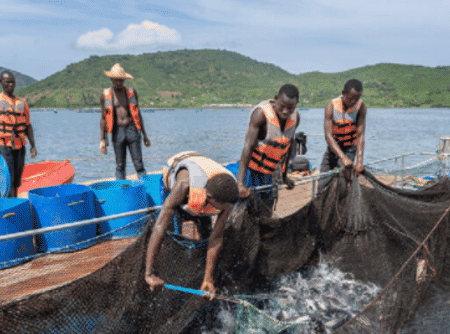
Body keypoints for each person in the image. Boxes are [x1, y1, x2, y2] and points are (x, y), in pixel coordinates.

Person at [145, 151, 240, 300]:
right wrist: (148, 273)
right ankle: (164, 271)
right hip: (178, 177)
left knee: (206, 232)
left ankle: (203, 276)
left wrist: (208, 277)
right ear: (208, 197)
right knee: (171, 237)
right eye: (218, 208)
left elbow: (216, 238)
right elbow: (159, 227)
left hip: (205, 186)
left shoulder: (229, 195)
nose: (221, 211)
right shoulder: (183, 185)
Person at [237, 84, 301, 211]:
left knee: (267, 209)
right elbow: (248, 147)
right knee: (246, 209)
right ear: (276, 98)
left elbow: (288, 147)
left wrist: (284, 176)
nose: (285, 111)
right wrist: (240, 184)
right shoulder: (260, 114)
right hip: (252, 171)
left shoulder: (296, 119)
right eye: (282, 106)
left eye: (290, 108)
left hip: (270, 173)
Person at [0, 70, 37, 198]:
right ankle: (10, 203)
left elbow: (28, 126)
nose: (10, 85)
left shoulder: (22, 103)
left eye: (12, 82)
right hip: (3, 145)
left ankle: (15, 200)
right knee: (7, 177)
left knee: (17, 179)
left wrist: (33, 145)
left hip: (20, 146)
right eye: (7, 82)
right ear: (1, 82)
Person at [99, 63, 151, 179]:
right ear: (111, 79)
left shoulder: (132, 92)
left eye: (121, 80)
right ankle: (121, 190)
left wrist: (145, 135)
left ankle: (146, 188)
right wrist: (102, 140)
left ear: (124, 80)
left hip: (132, 130)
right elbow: (103, 118)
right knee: (120, 165)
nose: (118, 83)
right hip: (117, 132)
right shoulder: (105, 95)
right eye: (116, 80)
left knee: (139, 164)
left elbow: (138, 114)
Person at [320, 79, 367, 179]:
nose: (354, 102)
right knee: (323, 181)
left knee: (344, 181)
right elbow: (328, 136)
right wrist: (342, 157)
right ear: (343, 93)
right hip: (332, 150)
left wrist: (359, 161)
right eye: (350, 99)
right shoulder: (331, 106)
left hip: (349, 150)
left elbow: (360, 135)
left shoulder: (361, 107)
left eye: (357, 99)